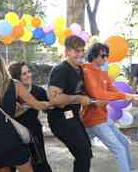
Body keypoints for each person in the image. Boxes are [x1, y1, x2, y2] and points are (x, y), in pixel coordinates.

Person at [0, 51, 54, 172]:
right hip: (9, 138)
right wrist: (53, 103)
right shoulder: (14, 85)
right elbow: (38, 105)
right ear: (0, 65)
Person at [81, 43, 138, 172]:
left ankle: (131, 170)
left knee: (125, 143)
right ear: (93, 56)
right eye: (103, 55)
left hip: (104, 118)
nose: (106, 59)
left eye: (107, 56)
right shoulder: (87, 71)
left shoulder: (102, 73)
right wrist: (126, 95)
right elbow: (98, 94)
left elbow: (114, 90)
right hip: (94, 120)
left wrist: (133, 96)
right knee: (119, 149)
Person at [47, 35, 105, 172]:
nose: (80, 54)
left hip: (73, 118)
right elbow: (54, 100)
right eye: (76, 51)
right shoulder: (61, 70)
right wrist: (78, 99)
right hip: (60, 120)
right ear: (67, 51)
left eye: (82, 50)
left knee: (85, 153)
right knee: (83, 154)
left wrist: (94, 101)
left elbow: (79, 92)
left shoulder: (78, 69)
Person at [8, 62, 52, 172]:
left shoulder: (39, 91)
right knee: (11, 166)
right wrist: (29, 105)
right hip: (13, 135)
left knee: (40, 165)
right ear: (16, 78)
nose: (29, 75)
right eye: (24, 74)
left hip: (34, 133)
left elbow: (48, 109)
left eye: (29, 72)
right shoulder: (9, 93)